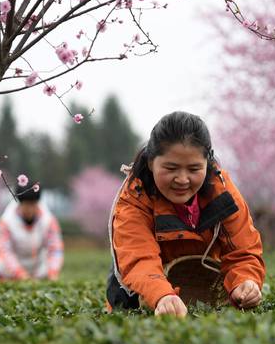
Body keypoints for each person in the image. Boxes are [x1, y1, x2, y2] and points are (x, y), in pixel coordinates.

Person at [106, 111, 265, 317]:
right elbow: (137, 257)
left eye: (194, 168)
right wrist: (162, 296)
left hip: (204, 284)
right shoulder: (133, 198)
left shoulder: (222, 190)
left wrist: (245, 282)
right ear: (150, 162)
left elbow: (243, 250)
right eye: (171, 168)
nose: (182, 179)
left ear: (207, 164)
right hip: (139, 290)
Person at [0, 183, 64, 281]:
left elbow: (55, 248)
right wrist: (20, 273)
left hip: (38, 271)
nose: (30, 210)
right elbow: (4, 250)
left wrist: (53, 271)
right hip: (8, 273)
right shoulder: (6, 221)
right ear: (20, 203)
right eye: (26, 205)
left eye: (33, 204)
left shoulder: (49, 220)